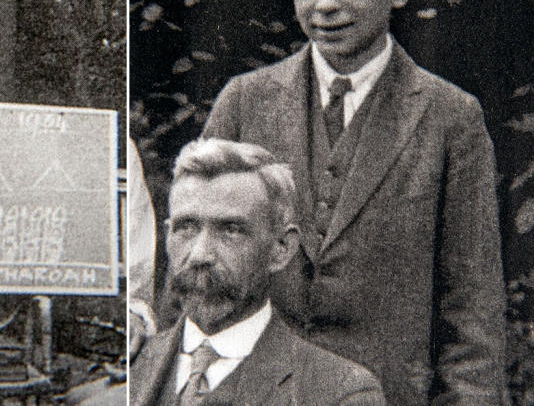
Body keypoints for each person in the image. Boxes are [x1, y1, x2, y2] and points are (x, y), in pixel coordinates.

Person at [201, 0, 505, 405]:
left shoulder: (452, 118)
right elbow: (198, 269)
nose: (325, 4)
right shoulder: (244, 102)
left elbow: (472, 311)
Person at [131, 138, 385, 406]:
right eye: (186, 228)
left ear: (282, 248)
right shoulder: (135, 363)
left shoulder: (341, 392)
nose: (199, 254)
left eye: (231, 230)